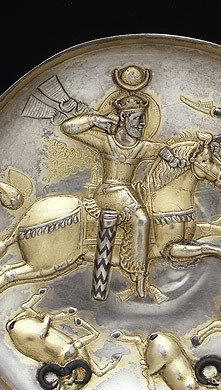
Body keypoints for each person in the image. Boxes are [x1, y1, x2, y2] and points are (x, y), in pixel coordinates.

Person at [61, 94, 175, 298]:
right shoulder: (106, 142)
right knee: (141, 219)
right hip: (107, 193)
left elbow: (164, 149)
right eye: (137, 118)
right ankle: (136, 274)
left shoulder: (142, 147)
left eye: (144, 118)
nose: (142, 123)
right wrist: (95, 120)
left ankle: (138, 274)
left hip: (125, 192)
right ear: (123, 118)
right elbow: (67, 128)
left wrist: (175, 157)